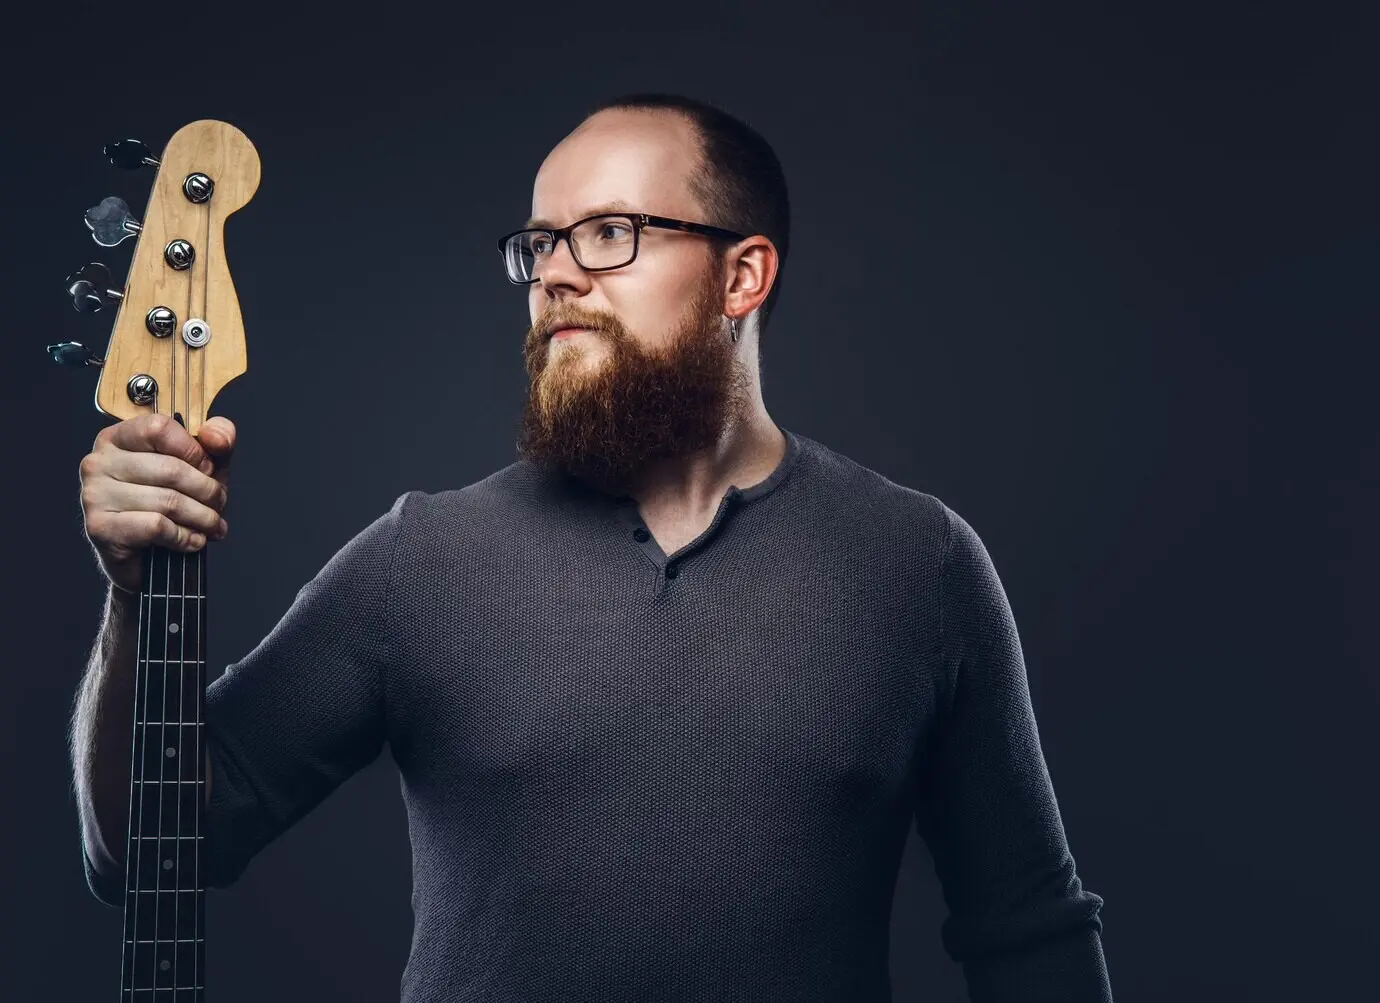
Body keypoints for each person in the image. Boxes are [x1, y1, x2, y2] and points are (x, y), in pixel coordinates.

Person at [70, 93, 1113, 1002]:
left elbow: (1030, 938)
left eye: (609, 232)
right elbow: (151, 846)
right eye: (540, 244)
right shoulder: (420, 561)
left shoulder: (917, 563)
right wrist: (131, 596)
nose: (556, 275)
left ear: (743, 274)